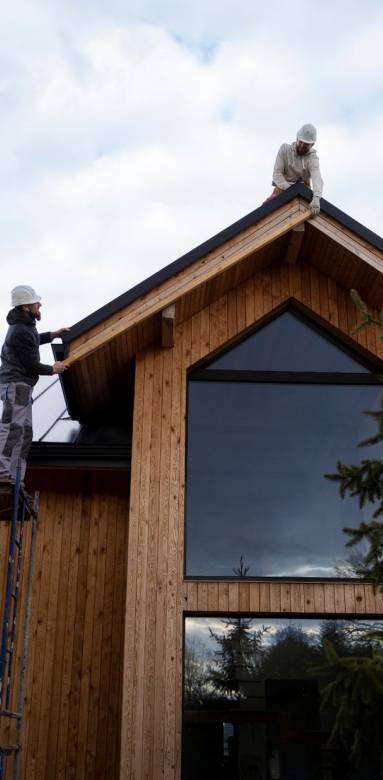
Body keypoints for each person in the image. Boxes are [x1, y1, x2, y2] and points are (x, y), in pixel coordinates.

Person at [0, 285, 68, 486]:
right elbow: (30, 364)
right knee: (12, 428)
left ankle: (14, 477)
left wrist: (53, 334)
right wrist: (53, 369)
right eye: (36, 302)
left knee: (25, 432)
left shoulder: (25, 325)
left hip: (22, 386)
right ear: (26, 307)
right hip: (16, 385)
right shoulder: (20, 330)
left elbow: (33, 340)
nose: (40, 304)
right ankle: (3, 473)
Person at [265, 124, 323, 215]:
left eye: (306, 144)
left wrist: (316, 198)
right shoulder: (285, 149)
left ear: (312, 144)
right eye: (301, 142)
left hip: (303, 191)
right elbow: (277, 174)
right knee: (267, 212)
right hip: (282, 188)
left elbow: (317, 178)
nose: (302, 145)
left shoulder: (312, 158)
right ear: (297, 139)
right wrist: (291, 190)